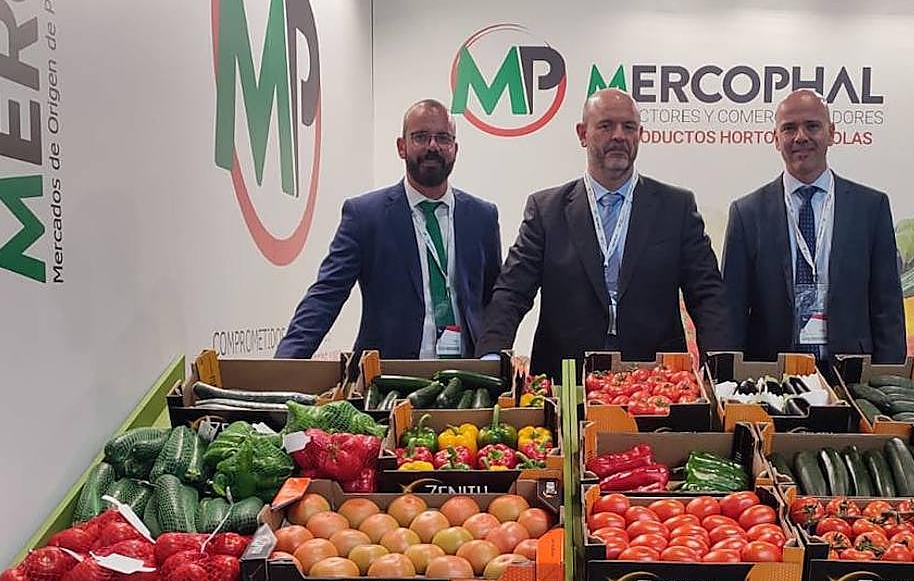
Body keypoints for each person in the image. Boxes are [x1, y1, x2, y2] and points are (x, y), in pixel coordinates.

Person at [474, 89, 732, 377]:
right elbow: (512, 291)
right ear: (582, 134)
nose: (619, 136)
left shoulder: (676, 207)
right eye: (606, 126)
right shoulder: (546, 211)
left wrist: (720, 369)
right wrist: (491, 355)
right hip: (566, 377)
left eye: (629, 127)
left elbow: (707, 293)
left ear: (640, 135)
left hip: (657, 380)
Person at [276, 99, 501, 360]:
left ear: (455, 149)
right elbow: (326, 295)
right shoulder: (365, 216)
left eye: (443, 138)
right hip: (388, 375)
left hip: (467, 374)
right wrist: (284, 366)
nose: (432, 146)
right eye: (420, 137)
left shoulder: (482, 217)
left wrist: (493, 354)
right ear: (401, 147)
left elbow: (496, 300)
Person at [721, 89, 905, 363]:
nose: (801, 137)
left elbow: (887, 304)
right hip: (772, 375)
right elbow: (732, 310)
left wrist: (887, 375)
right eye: (789, 128)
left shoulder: (870, 208)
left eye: (812, 126)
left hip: (852, 372)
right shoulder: (747, 213)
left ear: (831, 133)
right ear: (776, 139)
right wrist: (729, 376)